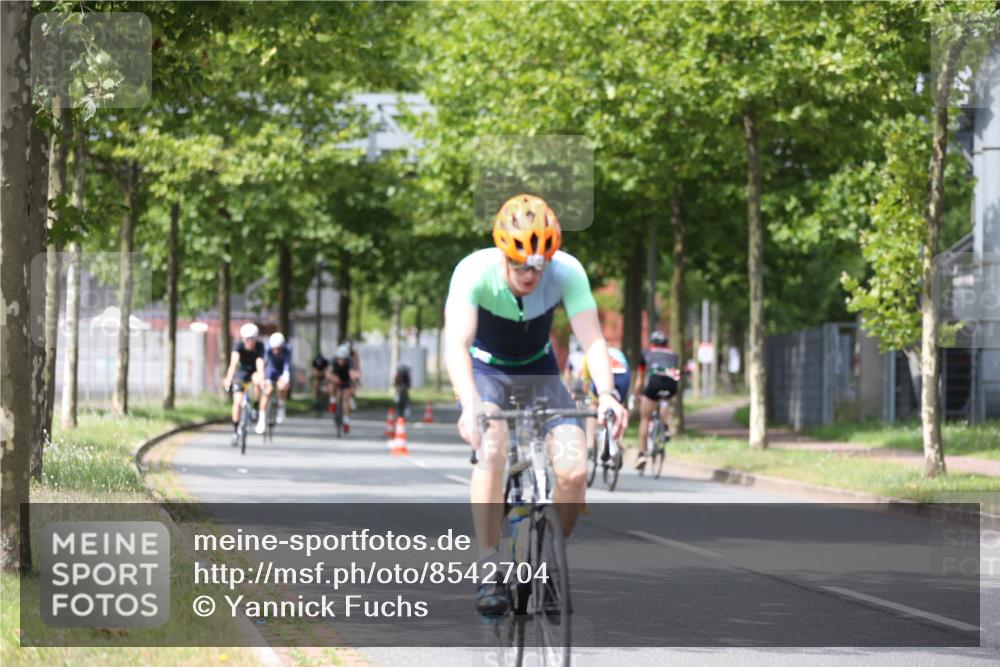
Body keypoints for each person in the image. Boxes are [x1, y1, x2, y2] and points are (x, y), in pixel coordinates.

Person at [444, 193, 627, 615]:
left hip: (540, 371)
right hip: (487, 373)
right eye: (520, 264)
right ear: (502, 254)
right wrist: (469, 402)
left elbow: (593, 338)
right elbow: (456, 342)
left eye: (539, 265)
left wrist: (608, 395)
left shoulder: (568, 272)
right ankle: (488, 566)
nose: (530, 274)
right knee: (492, 444)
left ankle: (548, 563)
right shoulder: (473, 272)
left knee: (575, 469)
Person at [632, 330, 680, 470]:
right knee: (664, 399)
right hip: (671, 384)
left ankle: (641, 454)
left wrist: (636, 394)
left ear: (652, 342)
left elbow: (640, 380)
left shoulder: (646, 353)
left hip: (654, 383)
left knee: (645, 418)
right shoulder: (673, 354)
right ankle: (666, 428)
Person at [222, 322, 265, 446]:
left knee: (258, 381)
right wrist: (229, 379)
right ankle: (235, 430)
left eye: (252, 339)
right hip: (242, 373)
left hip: (254, 372)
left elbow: (260, 363)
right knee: (237, 401)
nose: (250, 342)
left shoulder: (259, 346)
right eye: (247, 340)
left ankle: (255, 408)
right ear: (243, 339)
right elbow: (233, 364)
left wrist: (262, 378)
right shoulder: (238, 346)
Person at [257, 332, 292, 434]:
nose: (275, 351)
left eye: (278, 348)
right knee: (267, 392)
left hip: (282, 370)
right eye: (274, 348)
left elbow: (287, 364)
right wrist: (263, 378)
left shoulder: (287, 349)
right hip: (270, 370)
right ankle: (261, 420)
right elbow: (264, 362)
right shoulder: (267, 348)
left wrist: (286, 378)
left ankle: (281, 406)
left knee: (282, 386)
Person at [327, 343, 357, 432]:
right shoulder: (333, 360)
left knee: (345, 401)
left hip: (346, 380)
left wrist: (353, 382)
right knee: (332, 384)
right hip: (336, 379)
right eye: (340, 359)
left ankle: (346, 422)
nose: (341, 361)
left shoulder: (350, 361)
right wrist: (332, 378)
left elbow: (352, 373)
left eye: (343, 359)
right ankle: (332, 400)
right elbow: (328, 373)